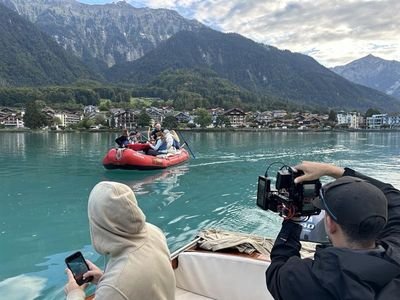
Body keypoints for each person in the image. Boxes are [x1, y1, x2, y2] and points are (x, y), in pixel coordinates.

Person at [266, 161, 400, 300]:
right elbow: (393, 196)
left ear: (330, 224)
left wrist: (292, 219)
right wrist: (332, 171)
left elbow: (277, 270)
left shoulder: (309, 281)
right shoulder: (397, 251)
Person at [64, 181, 176, 300]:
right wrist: (104, 278)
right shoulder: (154, 232)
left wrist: (74, 293)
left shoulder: (113, 289)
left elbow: (120, 286)